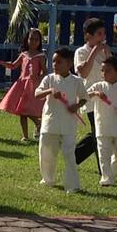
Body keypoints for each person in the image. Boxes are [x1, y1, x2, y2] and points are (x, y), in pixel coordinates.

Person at [35, 47, 86, 193]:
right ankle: (47, 179)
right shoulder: (49, 79)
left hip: (68, 123)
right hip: (50, 122)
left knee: (69, 153)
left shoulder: (76, 81)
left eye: (59, 62)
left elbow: (84, 97)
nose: (55, 65)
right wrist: (50, 91)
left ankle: (72, 185)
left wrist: (76, 106)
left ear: (69, 64)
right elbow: (37, 93)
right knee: (46, 152)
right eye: (53, 62)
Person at [87, 56, 117, 186]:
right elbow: (84, 95)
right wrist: (96, 94)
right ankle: (106, 178)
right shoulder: (98, 86)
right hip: (102, 126)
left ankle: (112, 173)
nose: (104, 73)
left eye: (107, 70)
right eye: (102, 70)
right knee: (103, 154)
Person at [0, 28, 46, 142]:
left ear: (39, 41)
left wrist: (38, 77)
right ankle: (25, 136)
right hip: (22, 85)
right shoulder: (24, 54)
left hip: (33, 86)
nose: (33, 42)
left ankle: (38, 123)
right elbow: (13, 66)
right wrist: (0, 62)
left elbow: (45, 72)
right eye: (31, 39)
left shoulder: (40, 56)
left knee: (28, 110)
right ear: (27, 40)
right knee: (22, 111)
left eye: (36, 40)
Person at [74, 18, 112, 170]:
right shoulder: (81, 52)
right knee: (98, 133)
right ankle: (102, 168)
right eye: (99, 34)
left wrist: (107, 54)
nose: (102, 37)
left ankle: (74, 155)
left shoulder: (104, 52)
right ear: (88, 36)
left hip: (106, 97)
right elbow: (83, 73)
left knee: (101, 133)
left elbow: (112, 73)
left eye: (103, 34)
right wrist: (95, 51)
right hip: (90, 98)